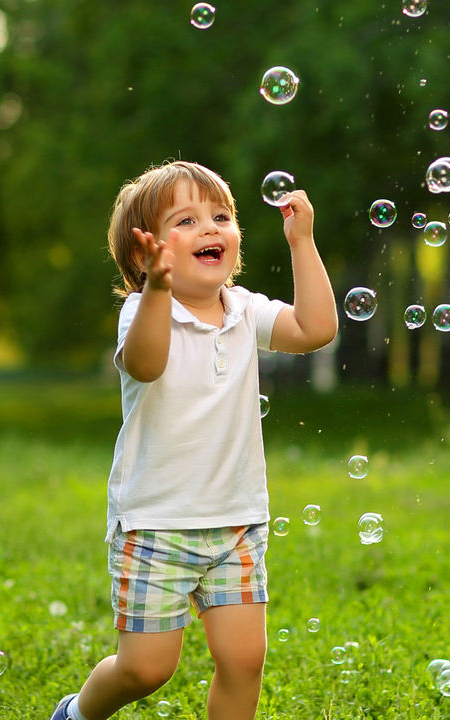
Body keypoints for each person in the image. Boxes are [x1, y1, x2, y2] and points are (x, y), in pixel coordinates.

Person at [50, 161, 337, 720]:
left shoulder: (245, 309)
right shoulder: (142, 311)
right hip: (157, 523)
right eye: (186, 220)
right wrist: (157, 289)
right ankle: (77, 713)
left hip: (236, 522)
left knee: (245, 658)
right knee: (147, 668)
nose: (211, 228)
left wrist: (302, 243)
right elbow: (147, 364)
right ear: (145, 254)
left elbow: (316, 330)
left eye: (222, 216)